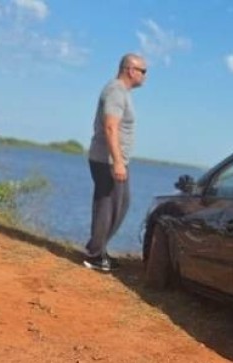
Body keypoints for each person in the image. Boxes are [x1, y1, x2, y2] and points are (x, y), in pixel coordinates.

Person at [84, 53, 148, 271]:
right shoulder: (116, 91)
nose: (145, 76)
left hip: (113, 159)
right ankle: (94, 255)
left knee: (119, 204)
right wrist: (118, 162)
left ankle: (99, 250)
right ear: (130, 70)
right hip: (108, 159)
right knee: (108, 206)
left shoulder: (122, 93)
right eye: (143, 71)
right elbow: (110, 127)